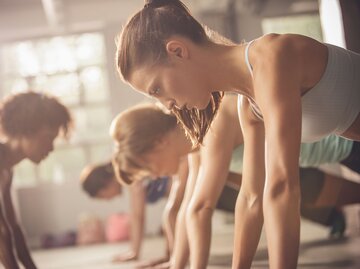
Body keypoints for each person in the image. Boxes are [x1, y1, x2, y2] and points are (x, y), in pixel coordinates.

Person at [116, 1, 360, 267]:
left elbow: (282, 187)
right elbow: (251, 198)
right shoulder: (248, 106)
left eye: (156, 90)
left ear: (177, 51)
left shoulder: (270, 58)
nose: (166, 105)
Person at [110, 96, 360, 269]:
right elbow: (189, 206)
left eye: (147, 168)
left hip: (347, 139)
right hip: (340, 149)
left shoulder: (211, 129)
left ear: (158, 143)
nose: (154, 176)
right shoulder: (195, 148)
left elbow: (201, 208)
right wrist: (177, 261)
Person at [0, 91, 73, 269]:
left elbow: (13, 227)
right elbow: (1, 233)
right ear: (26, 129)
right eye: (48, 137)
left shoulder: (7, 169)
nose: (51, 147)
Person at [80, 162, 176, 265]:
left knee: (170, 217)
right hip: (177, 187)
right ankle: (171, 256)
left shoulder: (128, 171)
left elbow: (138, 216)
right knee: (169, 218)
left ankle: (173, 257)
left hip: (181, 180)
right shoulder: (125, 171)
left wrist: (134, 252)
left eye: (102, 196)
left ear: (104, 183)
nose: (107, 200)